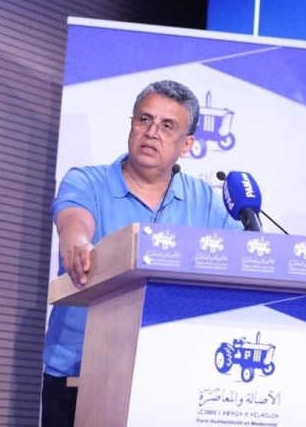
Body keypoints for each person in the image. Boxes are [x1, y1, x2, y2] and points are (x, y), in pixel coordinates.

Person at [40, 80, 242, 426]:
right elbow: (74, 221)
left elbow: (243, 257)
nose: (152, 132)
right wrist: (79, 244)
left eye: (167, 126)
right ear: (131, 125)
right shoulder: (87, 181)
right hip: (79, 373)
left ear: (187, 145)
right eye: (144, 120)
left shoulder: (206, 201)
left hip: (170, 378)